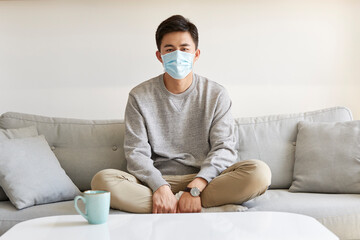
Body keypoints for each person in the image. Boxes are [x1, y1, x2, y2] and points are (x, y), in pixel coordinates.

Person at [91, 15, 271, 214]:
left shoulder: (216, 94)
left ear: (196, 54)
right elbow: (136, 153)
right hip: (155, 182)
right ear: (159, 56)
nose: (178, 55)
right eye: (169, 49)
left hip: (205, 181)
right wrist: (160, 187)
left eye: (185, 49)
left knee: (259, 173)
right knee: (102, 181)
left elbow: (224, 148)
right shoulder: (139, 96)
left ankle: (179, 204)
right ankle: (195, 206)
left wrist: (194, 188)